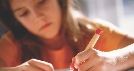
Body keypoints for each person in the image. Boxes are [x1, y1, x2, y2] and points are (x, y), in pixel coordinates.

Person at [0, 0, 134, 71]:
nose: (38, 17)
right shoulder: (10, 45)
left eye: (42, 2)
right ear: (16, 21)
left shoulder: (94, 31)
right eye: (23, 13)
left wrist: (113, 60)